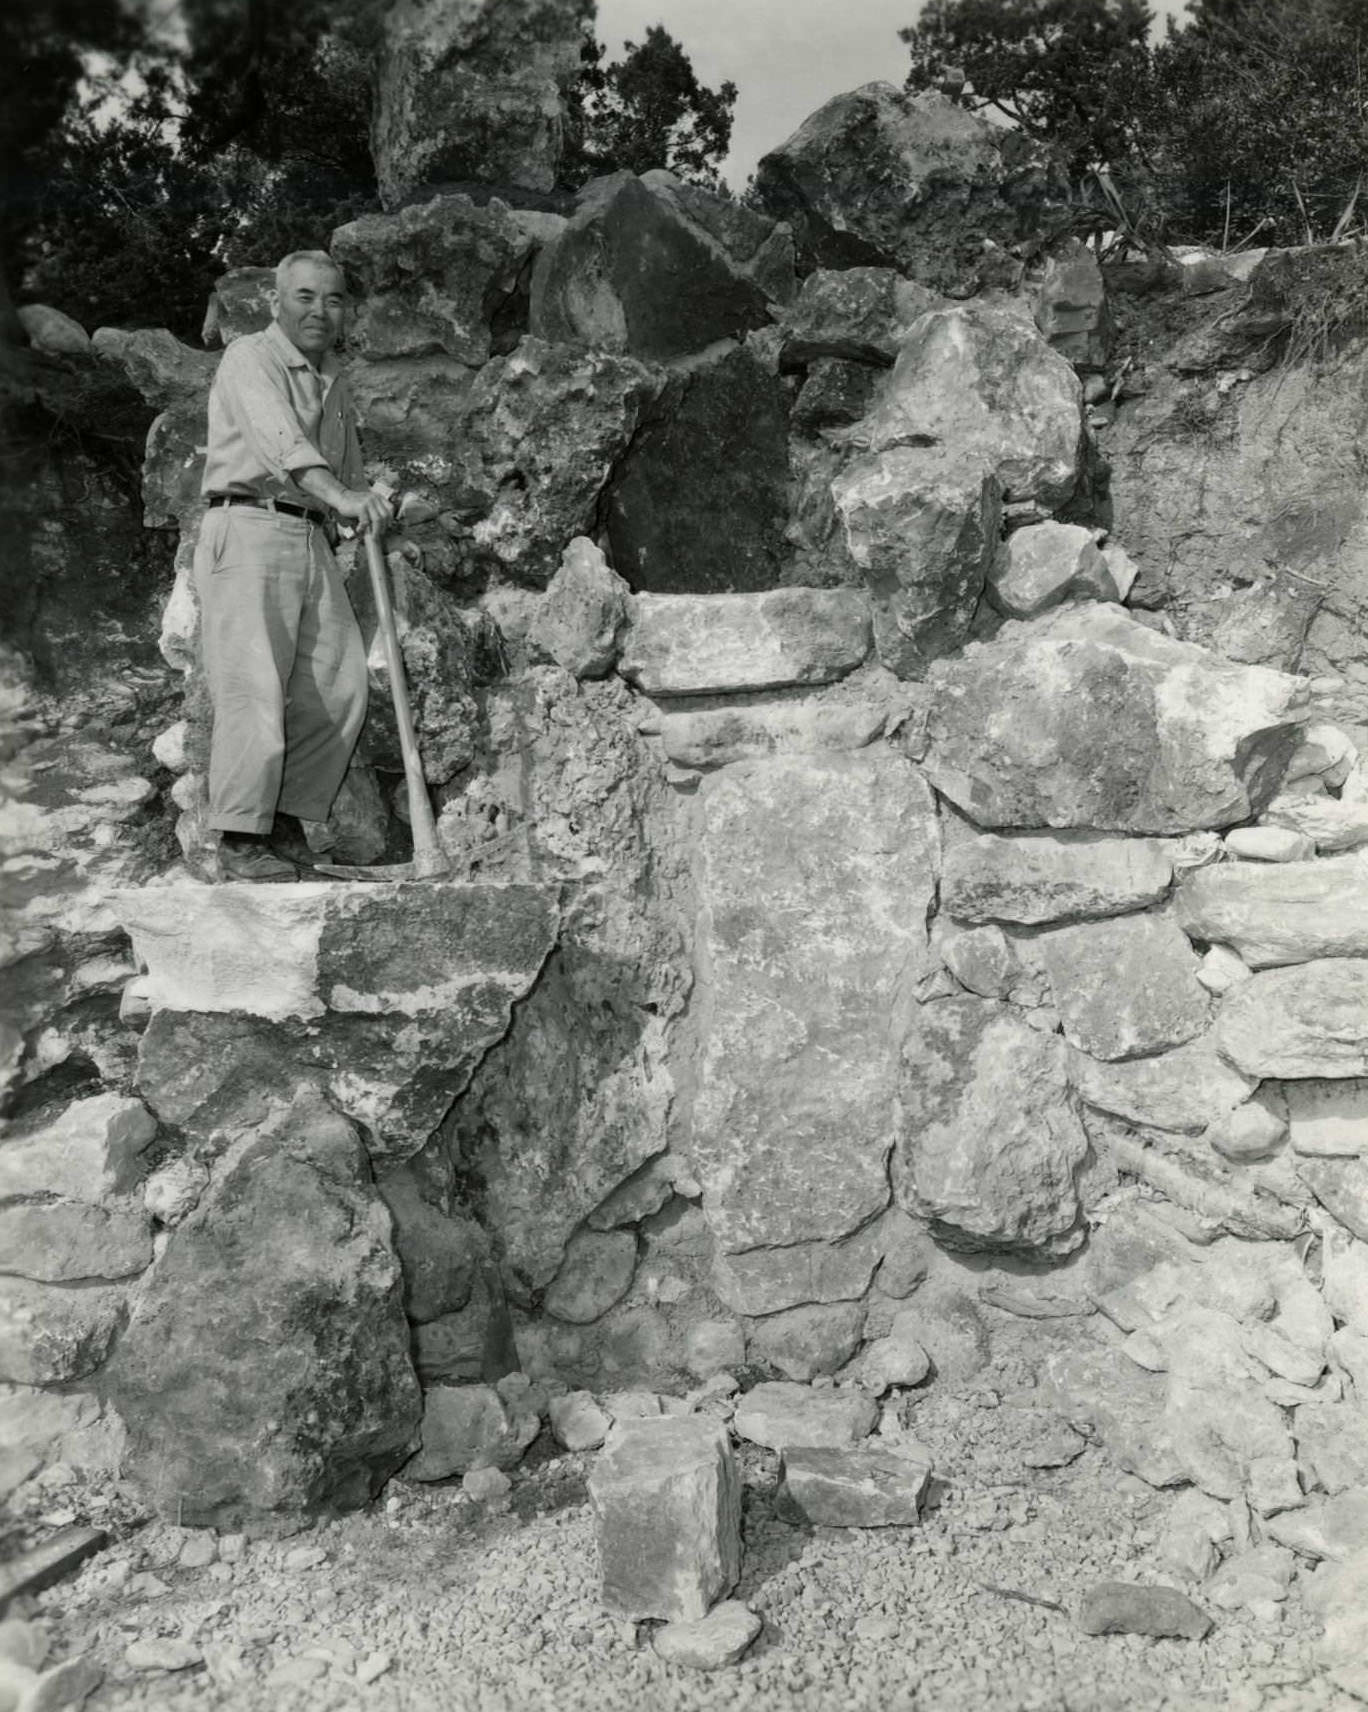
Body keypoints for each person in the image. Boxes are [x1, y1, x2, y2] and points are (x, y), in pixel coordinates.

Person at [194, 249, 391, 882]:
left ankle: (277, 819)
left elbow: (349, 474)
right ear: (277, 301)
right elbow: (282, 442)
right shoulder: (250, 357)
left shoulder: (334, 379)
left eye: (333, 299)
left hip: (308, 537)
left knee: (339, 680)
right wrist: (341, 496)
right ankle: (236, 835)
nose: (320, 311)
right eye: (305, 297)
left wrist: (371, 509)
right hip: (247, 525)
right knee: (253, 685)